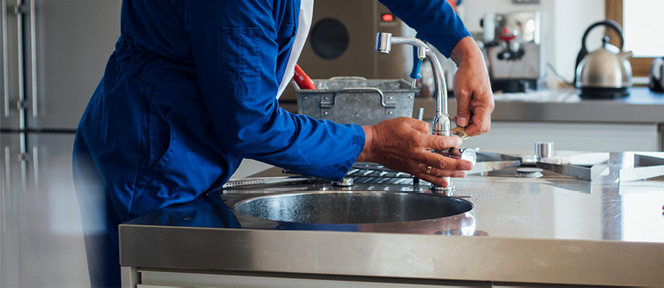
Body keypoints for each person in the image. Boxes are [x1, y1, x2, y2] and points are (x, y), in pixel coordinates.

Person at [72, 0, 494, 287]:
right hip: (149, 156)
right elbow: (248, 122)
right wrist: (374, 141)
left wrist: (464, 47)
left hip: (181, 144)